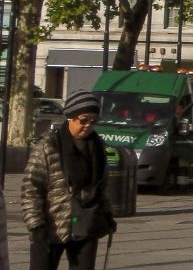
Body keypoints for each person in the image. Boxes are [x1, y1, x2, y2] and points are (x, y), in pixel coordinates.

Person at [22, 91, 117, 270]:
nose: (88, 125)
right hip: (51, 225)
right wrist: (36, 225)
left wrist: (107, 214)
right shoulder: (48, 145)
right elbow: (31, 187)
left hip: (85, 223)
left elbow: (101, 186)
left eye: (93, 121)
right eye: (83, 120)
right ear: (70, 118)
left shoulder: (97, 147)